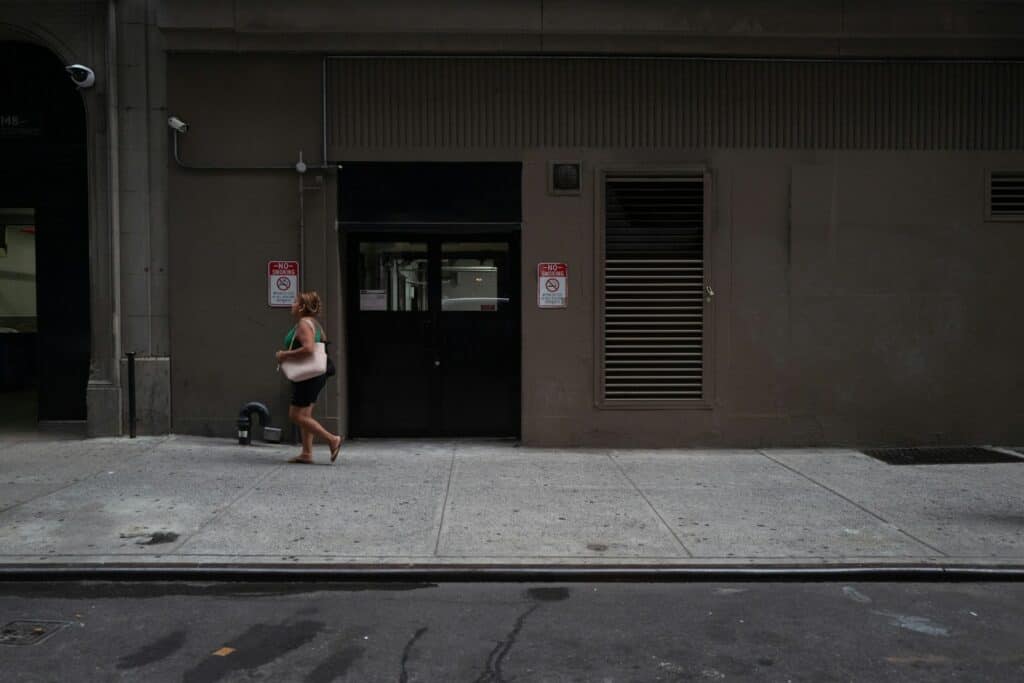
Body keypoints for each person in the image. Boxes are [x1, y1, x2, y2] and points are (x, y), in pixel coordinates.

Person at [275, 290, 343, 464]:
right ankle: (306, 453)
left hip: (308, 376)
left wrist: (285, 355)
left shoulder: (304, 323)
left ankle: (332, 439)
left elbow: (309, 349)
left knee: (296, 415)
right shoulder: (314, 323)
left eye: (295, 302)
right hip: (315, 374)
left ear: (302, 307)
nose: (292, 305)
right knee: (306, 414)